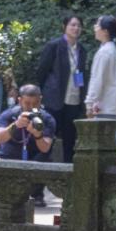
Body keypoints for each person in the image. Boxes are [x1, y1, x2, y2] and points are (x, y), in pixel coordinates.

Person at [35, 15, 88, 162]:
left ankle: (69, 172)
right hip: (54, 98)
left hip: (74, 98)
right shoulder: (54, 46)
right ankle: (42, 170)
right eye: (72, 25)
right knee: (48, 136)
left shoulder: (82, 50)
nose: (76, 28)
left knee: (70, 139)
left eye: (78, 26)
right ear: (64, 27)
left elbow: (82, 74)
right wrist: (42, 94)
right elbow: (42, 71)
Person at [0, 81, 58, 160]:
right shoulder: (9, 115)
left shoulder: (47, 119)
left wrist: (38, 135)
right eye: (27, 103)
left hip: (37, 161)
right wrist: (16, 125)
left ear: (40, 100)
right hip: (9, 157)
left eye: (35, 103)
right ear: (20, 101)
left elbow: (45, 148)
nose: (32, 107)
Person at [85, 15, 116, 131]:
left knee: (108, 144)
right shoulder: (113, 49)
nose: (94, 27)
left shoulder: (104, 52)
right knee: (111, 142)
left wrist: (89, 104)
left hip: (105, 108)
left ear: (105, 31)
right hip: (112, 106)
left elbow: (97, 81)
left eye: (97, 25)